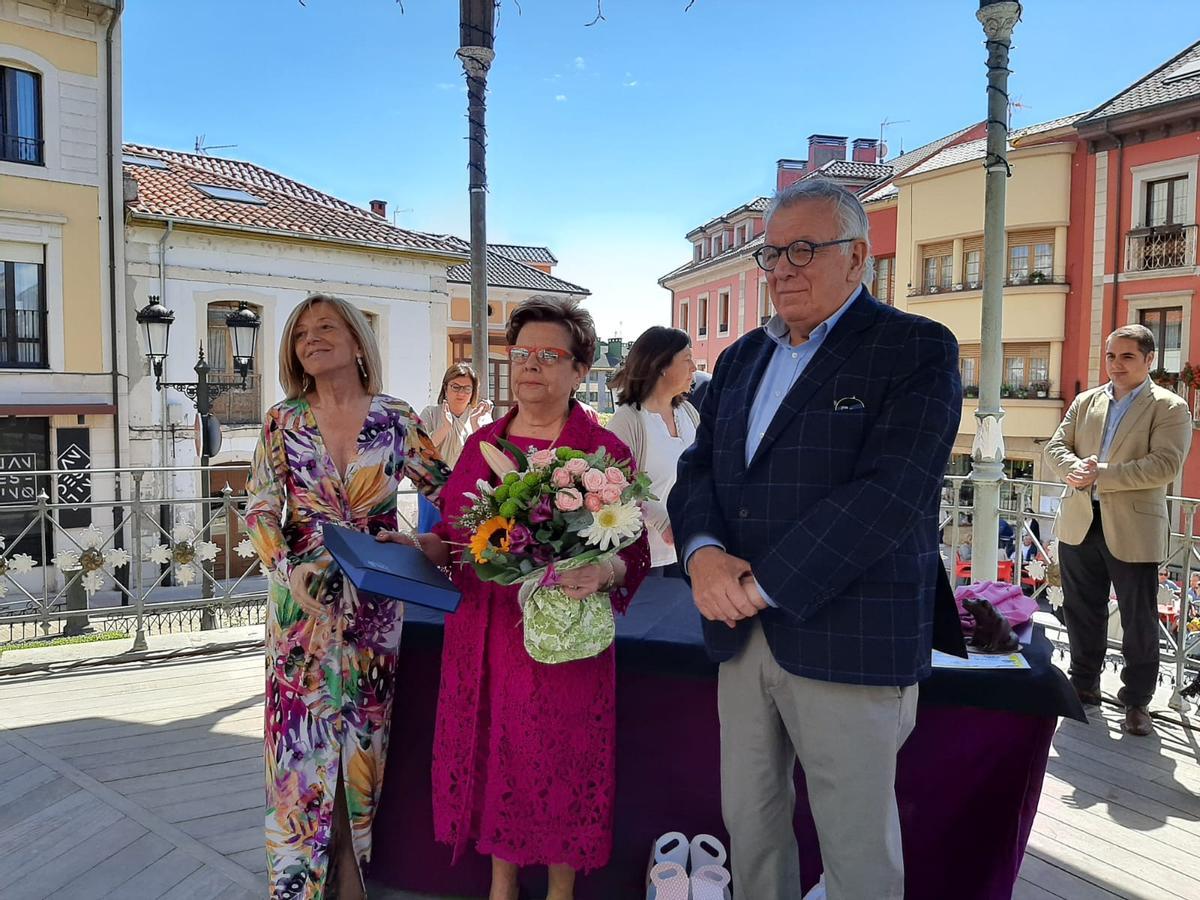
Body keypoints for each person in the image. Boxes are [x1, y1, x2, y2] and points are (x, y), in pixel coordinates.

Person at [669, 179, 961, 900]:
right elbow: (698, 469)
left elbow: (890, 494)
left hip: (848, 636)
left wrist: (758, 586)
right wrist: (702, 554)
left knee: (856, 849)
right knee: (751, 824)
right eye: (772, 254)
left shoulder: (915, 348)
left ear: (858, 257)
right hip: (741, 638)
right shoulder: (739, 359)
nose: (782, 268)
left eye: (804, 249)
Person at [382, 295, 649, 900]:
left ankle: (560, 891)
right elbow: (455, 540)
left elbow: (632, 551)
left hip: (562, 639)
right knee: (490, 756)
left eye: (549, 355)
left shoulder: (602, 454)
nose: (531, 364)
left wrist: (604, 570)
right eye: (522, 352)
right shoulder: (483, 445)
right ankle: (501, 887)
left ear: (580, 370)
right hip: (484, 633)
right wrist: (418, 545)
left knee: (561, 759)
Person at [246, 293, 450, 899]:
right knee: (298, 749)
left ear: (358, 340)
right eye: (300, 332)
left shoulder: (395, 418)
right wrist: (285, 568)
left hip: (374, 607)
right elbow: (259, 507)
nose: (311, 338)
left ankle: (350, 870)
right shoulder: (282, 421)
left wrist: (432, 543)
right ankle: (300, 888)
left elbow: (452, 491)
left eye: (326, 326)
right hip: (301, 608)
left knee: (363, 743)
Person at [1045, 323, 1191, 736]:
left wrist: (1101, 474)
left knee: (1138, 620)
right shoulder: (1085, 401)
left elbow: (1165, 465)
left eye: (1127, 356)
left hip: (1134, 528)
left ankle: (1137, 701)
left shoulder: (1170, 407)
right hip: (1079, 522)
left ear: (1149, 359)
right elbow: (1055, 446)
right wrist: (1073, 468)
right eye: (1111, 355)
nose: (1116, 364)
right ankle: (1084, 685)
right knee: (1080, 611)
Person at [606, 326, 700, 575]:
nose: (694, 368)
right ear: (661, 366)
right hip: (645, 561)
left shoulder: (689, 414)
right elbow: (615, 487)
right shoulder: (628, 420)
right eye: (687, 359)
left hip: (689, 554)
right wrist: (663, 522)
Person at [417, 363, 493, 530]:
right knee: (430, 535)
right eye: (455, 387)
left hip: (467, 489)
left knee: (461, 537)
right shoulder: (430, 413)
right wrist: (445, 427)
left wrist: (476, 424)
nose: (461, 393)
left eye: (467, 388)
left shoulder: (481, 416)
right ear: (445, 388)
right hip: (433, 487)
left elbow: (488, 453)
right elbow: (421, 450)